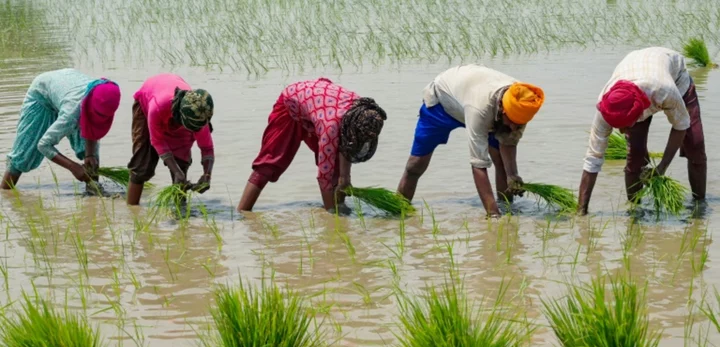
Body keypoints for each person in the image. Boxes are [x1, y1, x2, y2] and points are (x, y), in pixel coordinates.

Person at [396, 64, 544, 217]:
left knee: (500, 162)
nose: (514, 128)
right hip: (443, 104)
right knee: (415, 166)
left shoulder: (522, 102)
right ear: (502, 109)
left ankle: (507, 208)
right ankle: (398, 211)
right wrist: (493, 215)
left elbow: (508, 142)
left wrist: (512, 175)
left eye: (518, 124)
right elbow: (478, 165)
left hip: (481, 106)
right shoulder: (480, 109)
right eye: (512, 122)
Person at [578, 47, 706, 214]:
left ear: (639, 113)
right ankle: (635, 209)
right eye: (618, 127)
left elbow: (681, 125)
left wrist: (662, 167)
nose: (622, 132)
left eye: (625, 126)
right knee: (635, 154)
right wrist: (581, 211)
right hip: (635, 68)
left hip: (674, 75)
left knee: (695, 143)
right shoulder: (606, 107)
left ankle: (699, 207)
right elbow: (592, 159)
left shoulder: (664, 91)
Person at [236, 77, 387, 212]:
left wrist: (345, 178)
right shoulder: (331, 127)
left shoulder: (363, 111)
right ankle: (241, 213)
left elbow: (347, 143)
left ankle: (340, 207)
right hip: (290, 105)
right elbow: (323, 176)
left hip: (318, 106)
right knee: (270, 164)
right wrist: (332, 218)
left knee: (335, 165)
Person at [2, 68, 121, 189]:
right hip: (42, 94)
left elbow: (92, 128)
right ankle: (5, 192)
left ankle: (93, 191)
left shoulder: (105, 96)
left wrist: (89, 155)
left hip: (67, 86)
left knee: (92, 154)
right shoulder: (72, 113)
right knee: (24, 153)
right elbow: (43, 145)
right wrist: (73, 167)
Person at [127, 74, 215, 205]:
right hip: (148, 102)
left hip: (181, 114)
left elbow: (207, 148)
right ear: (181, 117)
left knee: (181, 165)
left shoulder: (199, 114)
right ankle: (132, 210)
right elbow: (157, 141)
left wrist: (207, 175)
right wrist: (175, 170)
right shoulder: (157, 107)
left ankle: (181, 215)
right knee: (142, 165)